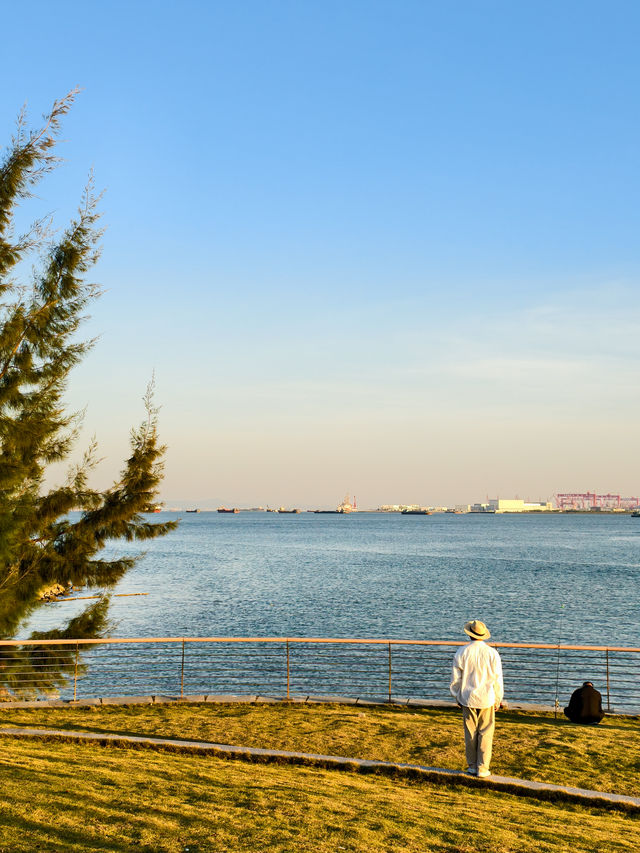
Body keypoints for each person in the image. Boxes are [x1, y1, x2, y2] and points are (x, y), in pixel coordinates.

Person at [450, 619, 504, 778]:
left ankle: (472, 766)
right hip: (487, 698)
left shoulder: (462, 652)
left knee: (470, 733)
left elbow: (456, 679)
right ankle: (482, 767)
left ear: (470, 634)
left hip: (467, 698)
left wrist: (457, 696)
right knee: (486, 733)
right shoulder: (492, 653)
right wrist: (498, 699)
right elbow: (497, 679)